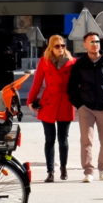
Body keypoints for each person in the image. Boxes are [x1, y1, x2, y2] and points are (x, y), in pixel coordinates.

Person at [66, 30, 103, 182]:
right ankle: (88, 171)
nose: (95, 44)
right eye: (91, 41)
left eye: (97, 41)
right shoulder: (80, 64)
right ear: (85, 45)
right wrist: (79, 105)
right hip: (87, 108)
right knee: (86, 140)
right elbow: (72, 87)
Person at [25, 33, 77, 182]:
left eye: (63, 45)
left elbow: (78, 83)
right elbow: (36, 83)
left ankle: (63, 169)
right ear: (51, 47)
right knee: (49, 139)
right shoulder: (44, 61)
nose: (61, 48)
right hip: (48, 103)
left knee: (63, 139)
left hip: (65, 103)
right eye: (57, 46)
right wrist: (30, 101)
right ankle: (50, 172)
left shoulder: (72, 62)